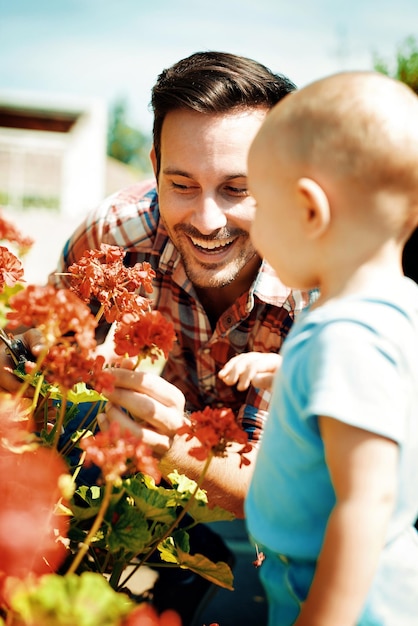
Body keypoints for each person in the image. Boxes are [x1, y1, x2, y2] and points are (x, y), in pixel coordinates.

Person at [0, 51, 311, 623]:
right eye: (183, 184)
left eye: (238, 188)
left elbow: (284, 487)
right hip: (117, 491)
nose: (208, 219)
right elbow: (24, 365)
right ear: (154, 164)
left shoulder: (316, 281)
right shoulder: (114, 231)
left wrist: (171, 443)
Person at [244, 70, 418, 625]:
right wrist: (293, 377)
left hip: (335, 592)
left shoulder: (344, 339)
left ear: (309, 210)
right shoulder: (391, 310)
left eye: (261, 208)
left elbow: (366, 503)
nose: (252, 230)